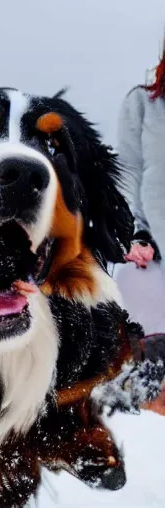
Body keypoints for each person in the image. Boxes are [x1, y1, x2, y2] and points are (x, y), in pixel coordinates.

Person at [116, 37, 165, 415]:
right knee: (148, 383)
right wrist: (136, 232)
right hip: (154, 249)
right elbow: (130, 170)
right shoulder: (144, 103)